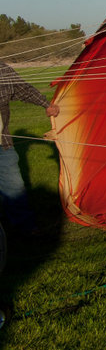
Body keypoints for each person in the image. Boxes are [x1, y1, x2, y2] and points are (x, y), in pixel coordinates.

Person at [0, 60, 61, 235]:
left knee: (14, 186)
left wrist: (46, 105)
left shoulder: (2, 70)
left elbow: (23, 89)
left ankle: (24, 228)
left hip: (2, 144)